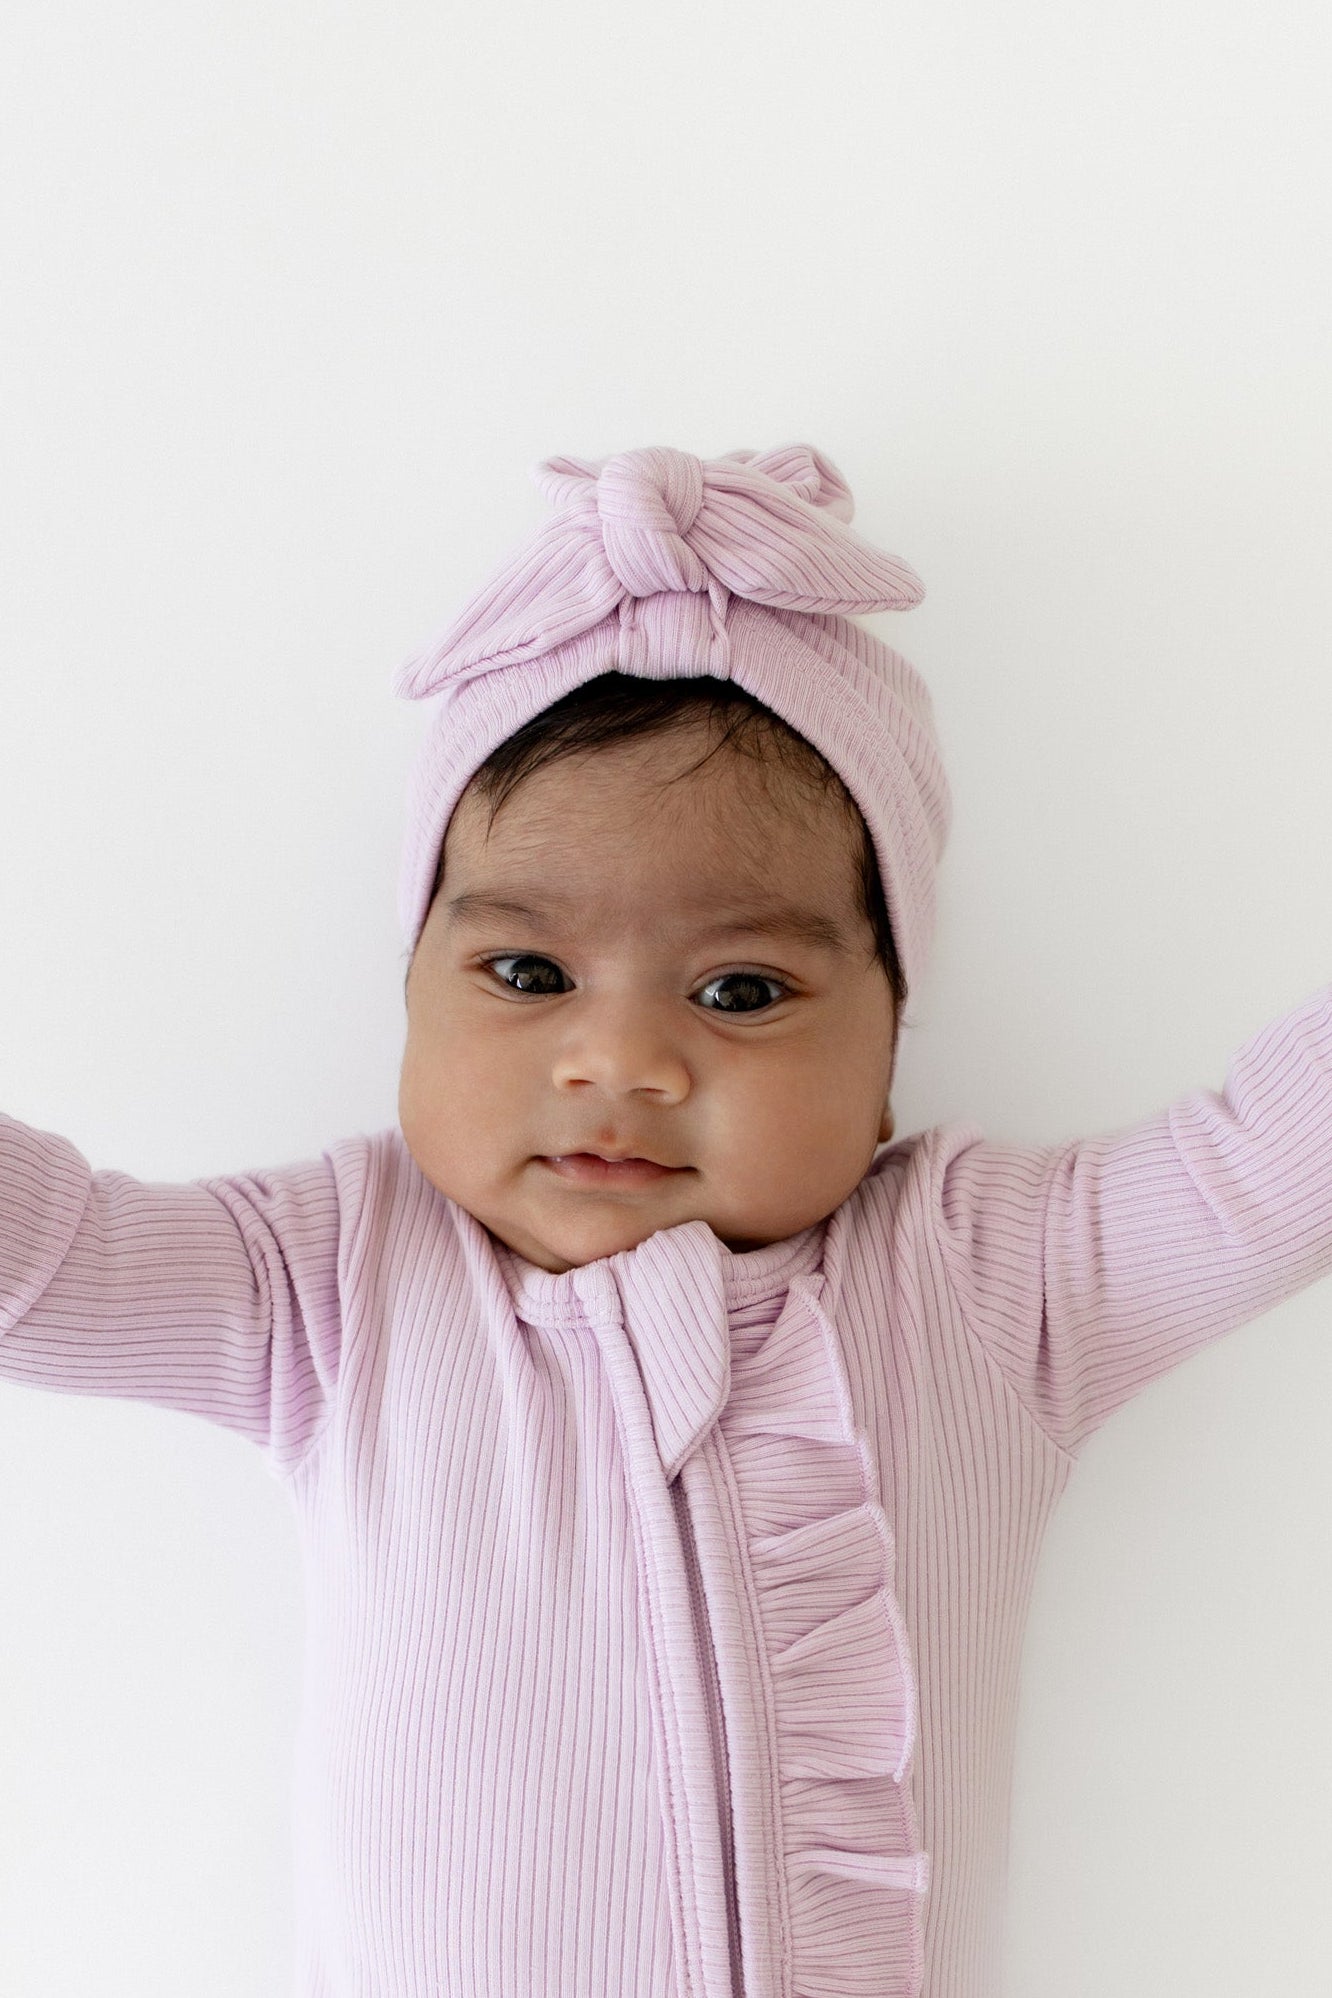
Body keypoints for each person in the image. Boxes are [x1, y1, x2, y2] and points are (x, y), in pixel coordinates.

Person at [2, 442, 1330, 1998]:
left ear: (891, 1050)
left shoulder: (990, 1279)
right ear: (409, 995)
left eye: (741, 991)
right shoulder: (337, 1276)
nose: (621, 1060)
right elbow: (57, 1261)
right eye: (525, 972)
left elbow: (1267, 1166)